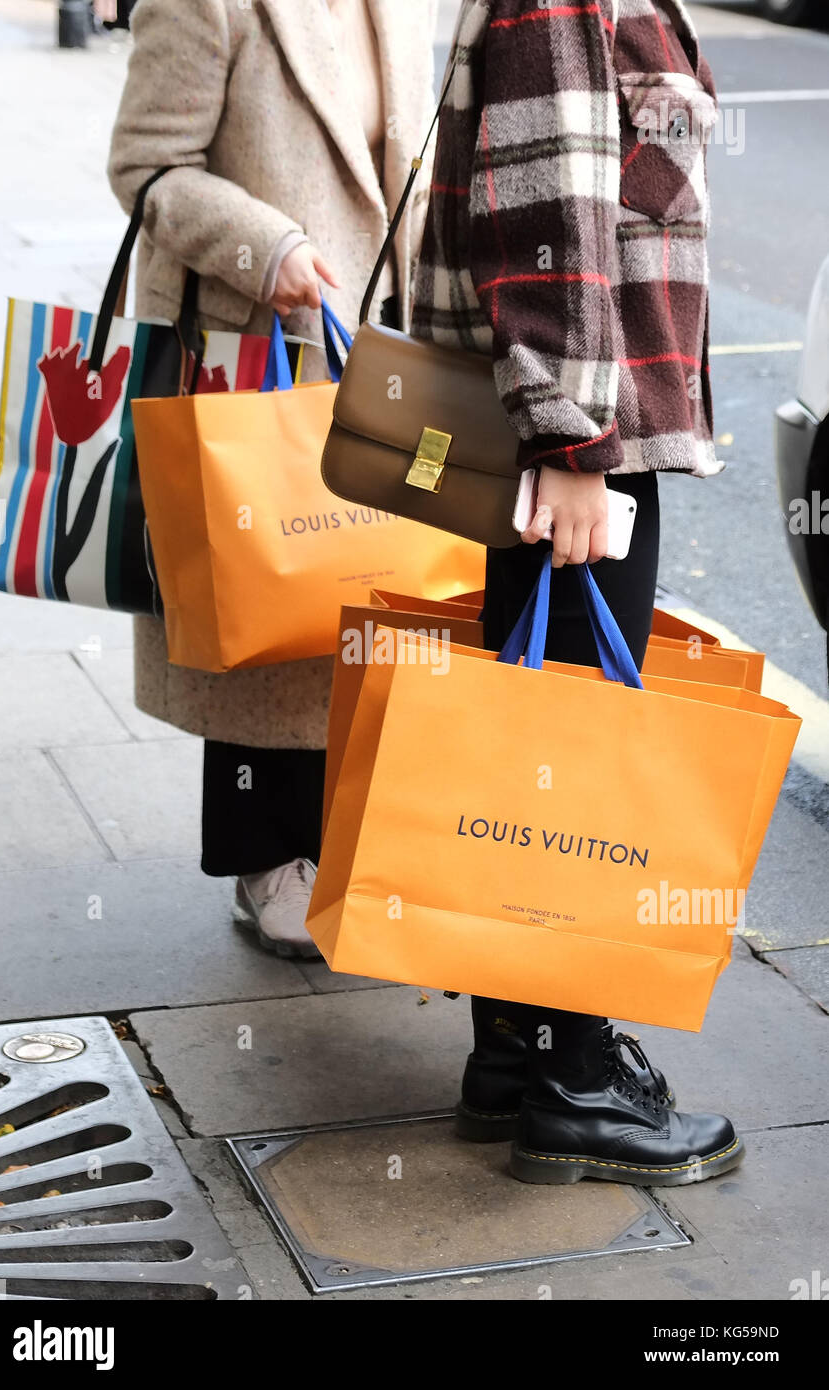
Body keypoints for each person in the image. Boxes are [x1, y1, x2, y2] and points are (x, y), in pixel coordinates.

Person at [411, 0, 743, 1185]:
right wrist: (572, 441)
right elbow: (550, 207)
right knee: (570, 756)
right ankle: (571, 1076)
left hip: (582, 427)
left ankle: (515, 1046)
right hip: (589, 433)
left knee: (534, 737)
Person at [108, 0, 437, 958]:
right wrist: (265, 245)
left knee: (369, 598)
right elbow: (146, 168)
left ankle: (348, 840)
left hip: (385, 349)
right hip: (255, 351)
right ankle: (269, 858)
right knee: (265, 606)